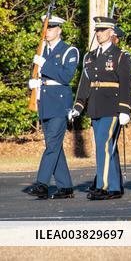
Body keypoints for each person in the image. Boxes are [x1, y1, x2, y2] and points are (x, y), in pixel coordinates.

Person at [69, 17, 131, 200]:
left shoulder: (120, 55)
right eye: (97, 30)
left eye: (103, 30)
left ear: (112, 32)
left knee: (103, 146)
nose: (99, 34)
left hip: (112, 107)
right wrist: (78, 106)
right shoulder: (90, 56)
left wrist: (125, 109)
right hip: (95, 107)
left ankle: (103, 186)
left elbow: (126, 84)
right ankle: (114, 187)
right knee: (107, 147)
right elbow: (85, 84)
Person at [26, 12, 78, 200]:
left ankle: (42, 183)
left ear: (59, 30)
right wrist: (31, 83)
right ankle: (65, 187)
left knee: (52, 145)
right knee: (54, 146)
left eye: (51, 28)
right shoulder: (42, 51)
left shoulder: (69, 51)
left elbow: (66, 76)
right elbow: (34, 74)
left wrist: (44, 64)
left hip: (59, 104)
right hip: (45, 103)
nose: (47, 31)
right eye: (46, 27)